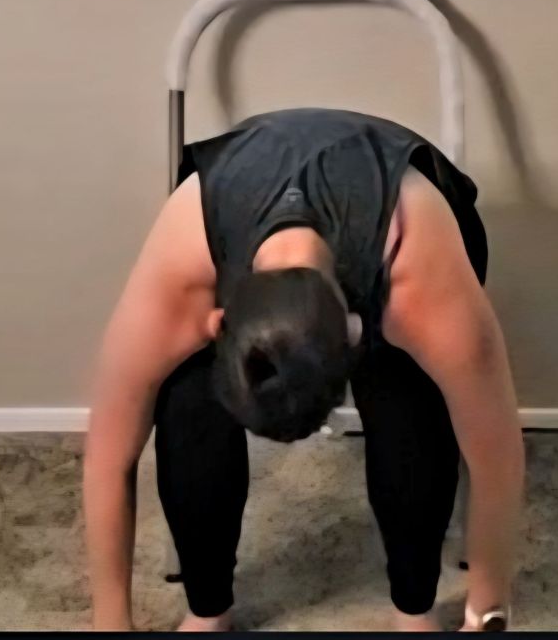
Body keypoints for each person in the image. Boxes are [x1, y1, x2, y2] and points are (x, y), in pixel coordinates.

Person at [83, 108, 524, 632]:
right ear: (216, 321)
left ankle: (415, 608)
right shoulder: (184, 266)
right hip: (240, 223)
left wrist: (486, 611)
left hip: (401, 227)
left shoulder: (418, 284)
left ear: (358, 333)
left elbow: (497, 457)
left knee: (411, 401)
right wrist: (111, 625)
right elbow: (107, 459)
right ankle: (207, 608)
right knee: (185, 403)